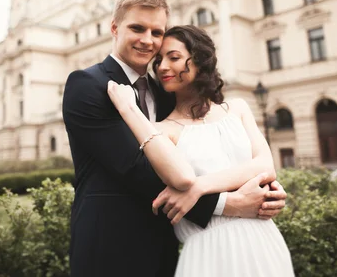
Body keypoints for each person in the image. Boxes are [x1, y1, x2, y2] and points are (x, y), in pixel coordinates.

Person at [62, 0, 287, 277]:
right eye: (137, 28)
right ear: (115, 28)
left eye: (157, 32)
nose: (148, 40)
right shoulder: (88, 85)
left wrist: (265, 190)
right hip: (111, 243)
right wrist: (230, 204)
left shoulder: (168, 92)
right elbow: (137, 168)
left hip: (168, 244)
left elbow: (205, 156)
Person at [107, 25, 294, 277]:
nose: (162, 67)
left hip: (264, 242)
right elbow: (171, 182)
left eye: (173, 57)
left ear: (201, 61)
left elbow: (265, 167)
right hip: (207, 252)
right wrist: (128, 110)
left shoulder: (237, 108)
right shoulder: (159, 130)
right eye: (159, 60)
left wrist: (198, 188)